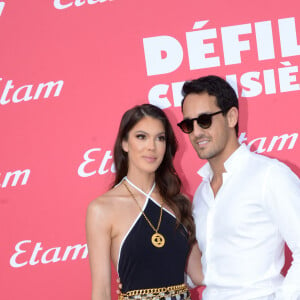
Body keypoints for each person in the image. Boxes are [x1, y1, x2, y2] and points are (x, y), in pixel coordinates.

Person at [177, 75, 300, 299]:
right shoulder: (202, 194)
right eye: (188, 124)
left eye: (204, 120)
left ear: (231, 116)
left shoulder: (269, 176)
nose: (196, 132)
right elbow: (208, 272)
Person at [86, 104, 203, 300]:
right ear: (124, 143)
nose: (152, 146)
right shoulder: (102, 209)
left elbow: (199, 274)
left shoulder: (179, 202)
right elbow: (102, 291)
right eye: (141, 136)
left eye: (160, 138)